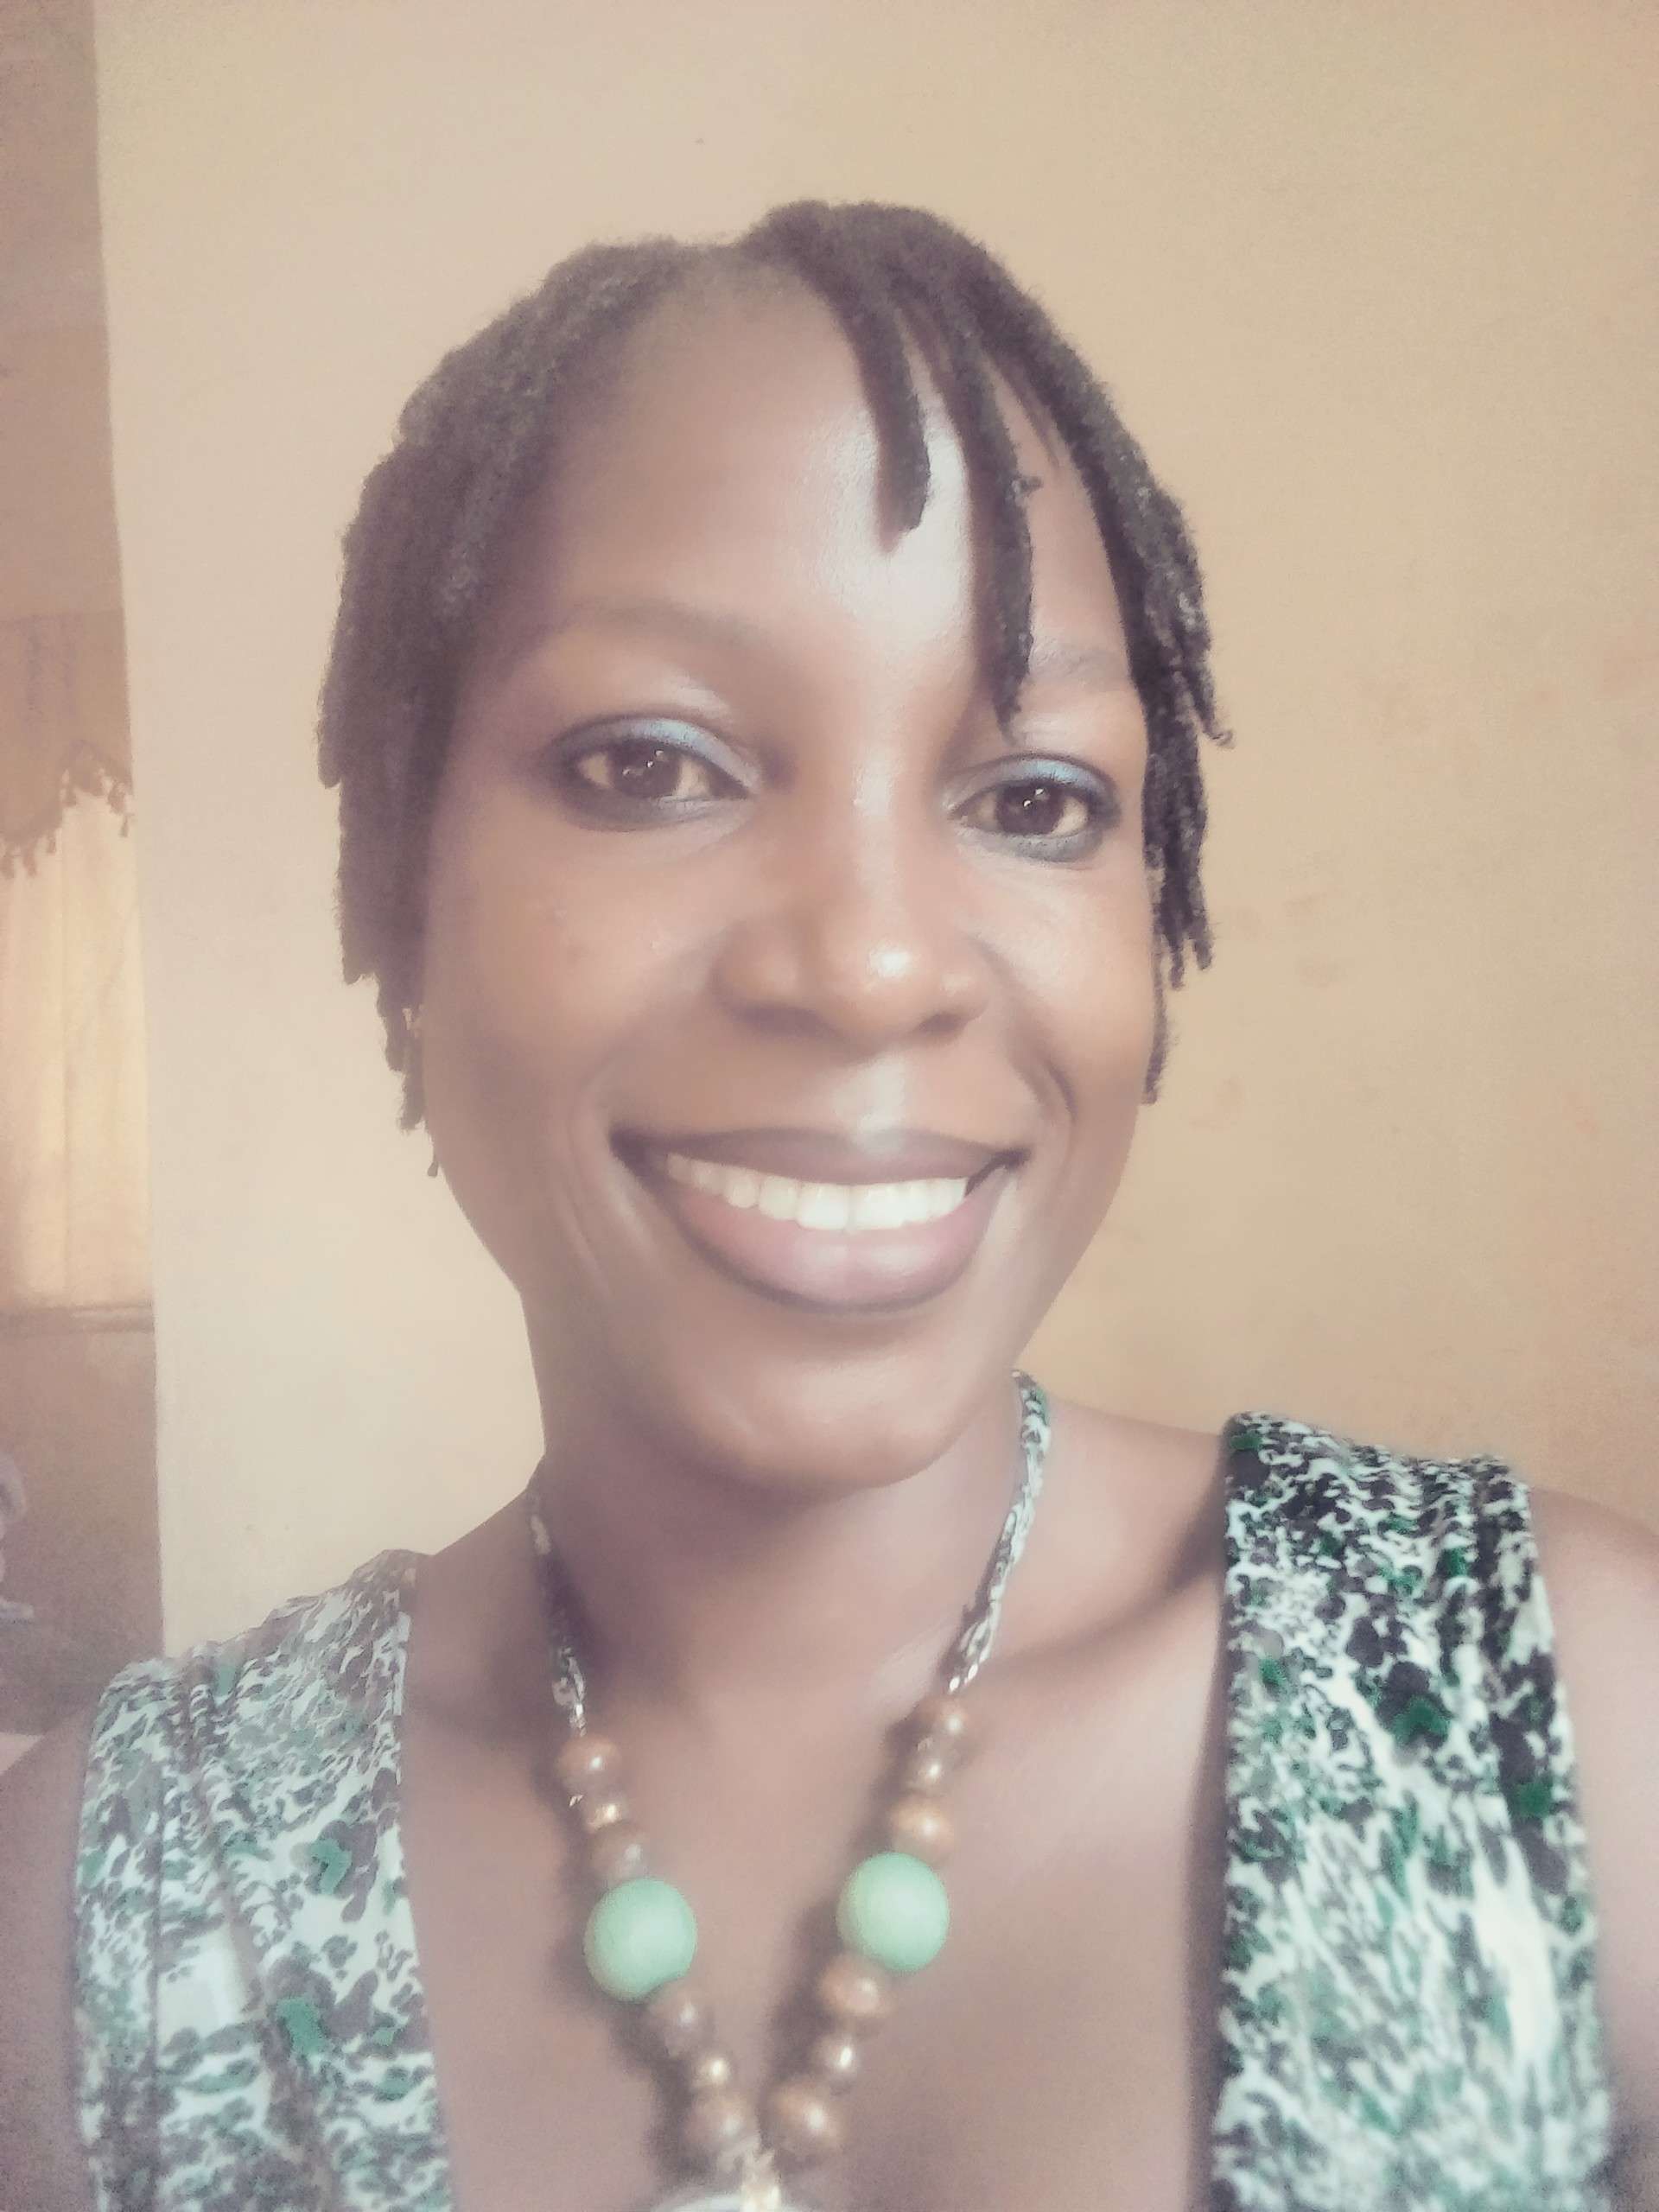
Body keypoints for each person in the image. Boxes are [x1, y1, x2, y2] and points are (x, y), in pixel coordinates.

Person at [1, 200, 1654, 2212]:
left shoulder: (1561, 1727)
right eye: (650, 764)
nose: (872, 965)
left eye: (1035, 798)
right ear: (400, 893)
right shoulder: (98, 1913)